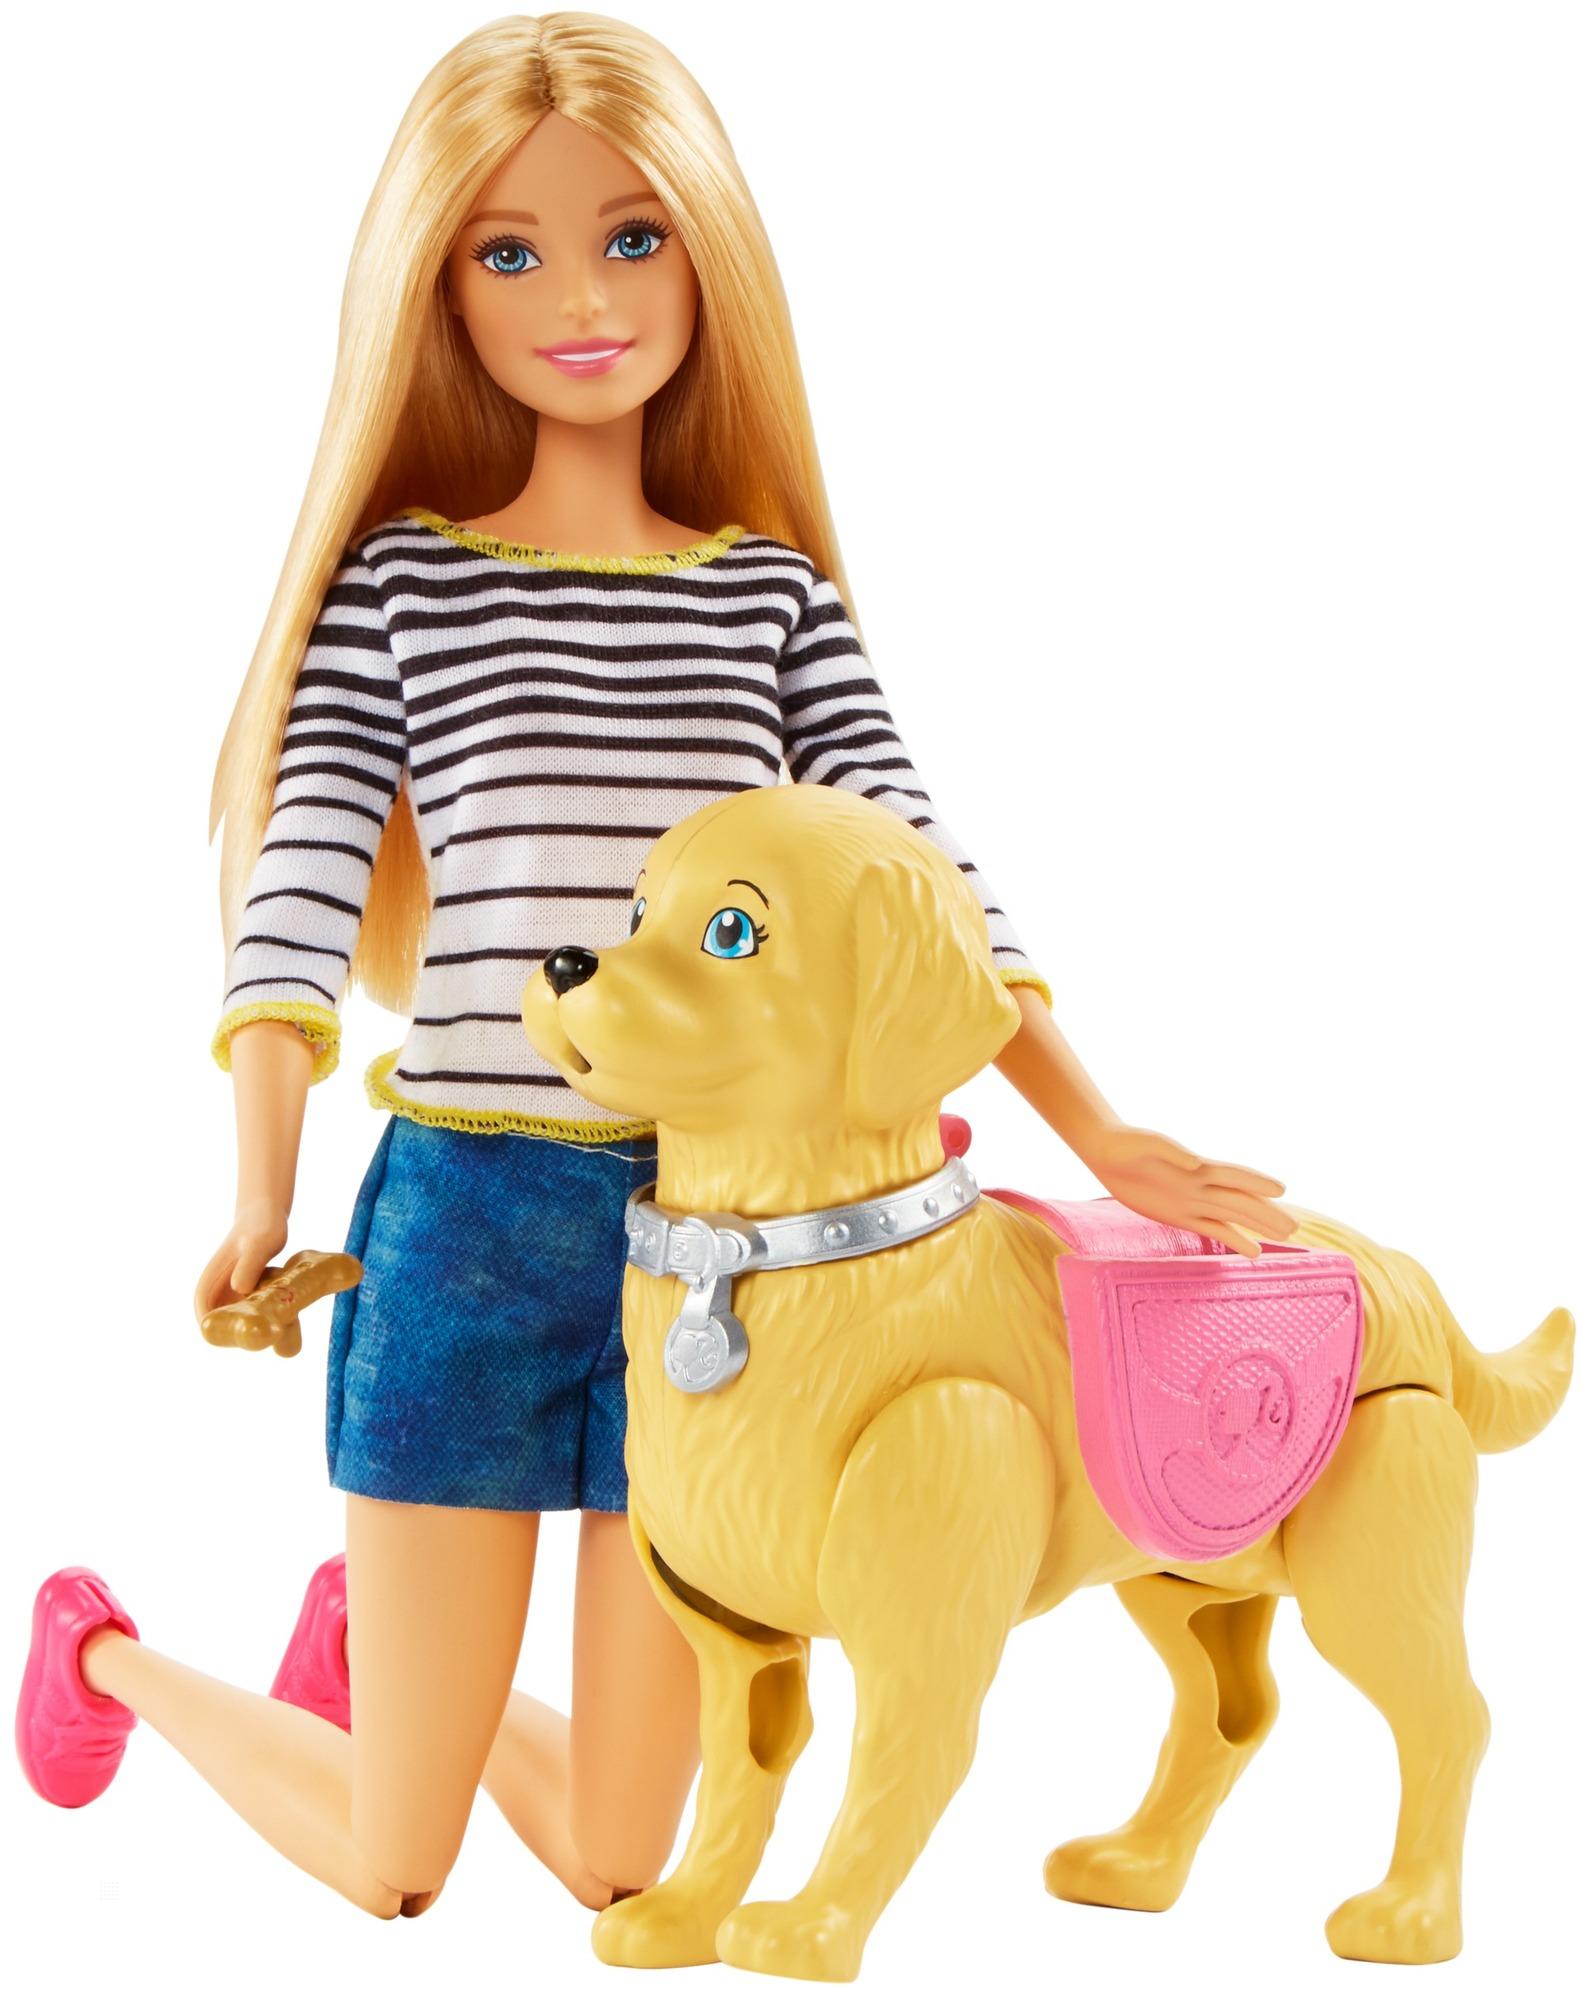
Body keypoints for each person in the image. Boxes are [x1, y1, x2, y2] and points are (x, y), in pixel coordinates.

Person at [16, 13, 1292, 1919]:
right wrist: (261, 1190)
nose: (582, 299)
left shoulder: (767, 595)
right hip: (464, 1229)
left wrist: (1097, 1134)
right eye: (507, 252)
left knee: (629, 1864)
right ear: (437, 290)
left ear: (709, 256)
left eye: (632, 237)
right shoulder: (406, 584)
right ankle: (105, 1654)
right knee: (392, 1865)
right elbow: (295, 891)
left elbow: (922, 879)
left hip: (727, 1259)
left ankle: (377, 1651)